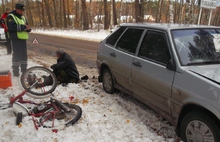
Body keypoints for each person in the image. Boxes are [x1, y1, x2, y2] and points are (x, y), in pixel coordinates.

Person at [6, 3, 31, 77]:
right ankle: (15, 71)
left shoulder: (22, 17)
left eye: (23, 10)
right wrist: (24, 27)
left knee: (24, 55)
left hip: (23, 39)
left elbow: (26, 25)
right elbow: (12, 27)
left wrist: (28, 29)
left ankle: (24, 69)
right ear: (16, 9)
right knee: (17, 55)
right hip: (16, 38)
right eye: (21, 10)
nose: (22, 12)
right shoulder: (11, 16)